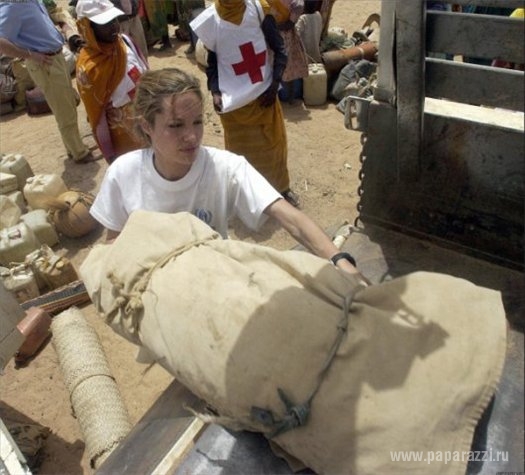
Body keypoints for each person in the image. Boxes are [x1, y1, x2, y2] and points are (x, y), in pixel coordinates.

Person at [90, 67, 367, 282]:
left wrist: (339, 259)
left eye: (197, 122)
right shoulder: (123, 174)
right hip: (156, 296)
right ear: (147, 126)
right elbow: (114, 242)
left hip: (216, 285)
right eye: (175, 125)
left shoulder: (226, 167)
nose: (191, 136)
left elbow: (290, 218)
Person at [190, 0, 300, 208]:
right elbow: (211, 62)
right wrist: (215, 92)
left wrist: (274, 83)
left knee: (273, 146)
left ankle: (280, 190)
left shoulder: (258, 9)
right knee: (240, 152)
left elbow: (279, 49)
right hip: (234, 103)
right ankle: (244, 194)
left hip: (263, 95)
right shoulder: (211, 20)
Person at [0, 0, 97, 163]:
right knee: (64, 110)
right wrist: (30, 55)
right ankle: (80, 153)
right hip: (45, 63)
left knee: (67, 104)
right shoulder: (11, 6)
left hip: (55, 57)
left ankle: (73, 147)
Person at [75, 0, 149, 164]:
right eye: (105, 23)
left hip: (149, 119)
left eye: (114, 19)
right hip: (124, 136)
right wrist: (110, 155)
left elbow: (145, 70)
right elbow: (97, 116)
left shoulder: (125, 42)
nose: (114, 26)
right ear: (88, 28)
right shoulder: (88, 70)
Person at [269, 0, 309, 102]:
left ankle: (290, 96)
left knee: (287, 66)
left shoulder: (295, 3)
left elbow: (289, 24)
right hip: (274, 35)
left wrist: (272, 28)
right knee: (276, 66)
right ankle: (283, 95)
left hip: (285, 37)